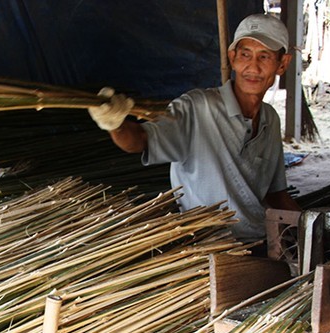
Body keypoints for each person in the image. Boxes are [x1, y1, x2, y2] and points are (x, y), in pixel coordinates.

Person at [89, 13, 301, 244]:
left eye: (265, 56)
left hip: (259, 241)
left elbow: (276, 194)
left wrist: (311, 226)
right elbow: (139, 140)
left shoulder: (270, 119)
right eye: (245, 54)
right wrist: (115, 124)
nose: (252, 66)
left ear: (283, 64)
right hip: (208, 248)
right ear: (232, 58)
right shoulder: (196, 108)